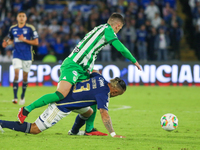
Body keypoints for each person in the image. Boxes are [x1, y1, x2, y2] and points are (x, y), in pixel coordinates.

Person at [17, 13, 141, 126]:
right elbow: (121, 48)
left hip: (84, 68)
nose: (118, 31)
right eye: (119, 29)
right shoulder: (108, 30)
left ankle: (89, 129)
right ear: (118, 26)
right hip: (74, 65)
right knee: (60, 94)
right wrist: (134, 61)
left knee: (96, 92)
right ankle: (26, 109)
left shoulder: (100, 28)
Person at [0, 71, 126, 138]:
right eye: (117, 94)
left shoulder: (99, 78)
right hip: (61, 106)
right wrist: (113, 134)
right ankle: (2, 123)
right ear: (114, 91)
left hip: (67, 94)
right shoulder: (104, 94)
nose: (115, 95)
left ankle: (74, 131)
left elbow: (92, 70)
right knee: (35, 129)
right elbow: (104, 114)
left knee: (88, 111)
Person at [2, 11, 39, 105]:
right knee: (16, 74)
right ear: (17, 18)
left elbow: (36, 42)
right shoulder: (13, 28)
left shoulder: (30, 28)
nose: (21, 18)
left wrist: (24, 40)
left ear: (26, 18)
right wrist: (6, 43)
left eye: (23, 16)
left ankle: (22, 96)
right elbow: (11, 40)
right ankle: (15, 97)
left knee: (25, 77)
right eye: (20, 16)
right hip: (17, 55)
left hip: (27, 55)